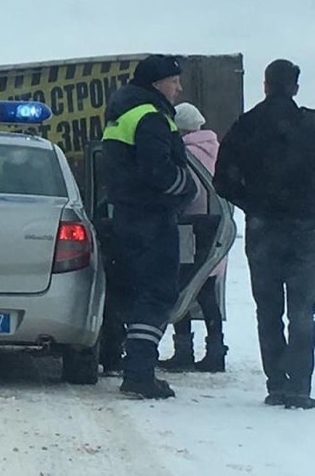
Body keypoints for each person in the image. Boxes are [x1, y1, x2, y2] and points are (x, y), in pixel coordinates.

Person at [213, 59, 315, 409]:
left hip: (263, 228)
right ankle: (299, 386)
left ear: (266, 85)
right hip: (306, 229)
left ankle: (276, 383)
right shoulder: (311, 125)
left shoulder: (245, 126)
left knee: (268, 309)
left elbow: (222, 181)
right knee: (302, 310)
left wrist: (251, 204)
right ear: (295, 88)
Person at [101, 54, 196, 399]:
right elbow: (158, 172)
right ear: (157, 83)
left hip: (127, 215)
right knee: (157, 293)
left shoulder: (122, 113)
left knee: (134, 292)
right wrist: (187, 186)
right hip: (152, 218)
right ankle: (139, 374)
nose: (178, 88)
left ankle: (126, 362)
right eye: (174, 81)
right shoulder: (151, 117)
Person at [158, 102, 228, 373]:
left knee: (182, 289)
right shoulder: (217, 150)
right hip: (216, 229)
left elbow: (183, 190)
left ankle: (183, 350)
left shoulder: (184, 154)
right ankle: (216, 351)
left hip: (188, 227)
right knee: (208, 292)